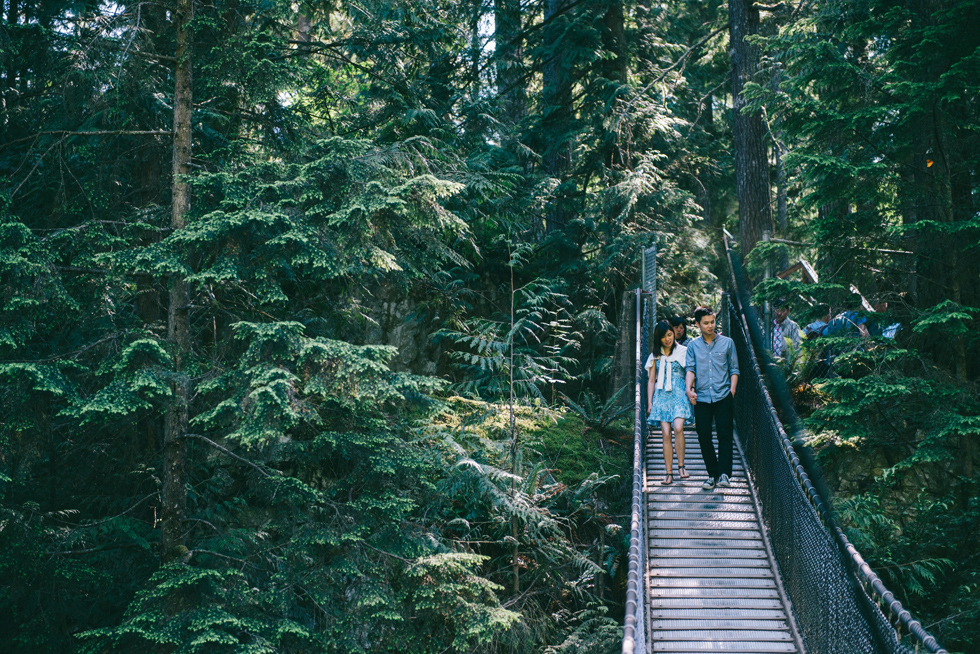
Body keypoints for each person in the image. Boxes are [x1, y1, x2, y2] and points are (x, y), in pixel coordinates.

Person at [685, 306, 739, 490]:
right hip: (701, 397)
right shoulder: (692, 345)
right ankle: (712, 473)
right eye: (706, 323)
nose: (710, 326)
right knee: (703, 435)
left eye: (712, 322)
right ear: (698, 324)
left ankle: (724, 474)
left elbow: (734, 369)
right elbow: (690, 369)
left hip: (723, 395)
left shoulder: (728, 343)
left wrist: (732, 391)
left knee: (725, 435)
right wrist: (688, 389)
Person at [646, 321, 693, 485]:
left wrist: (691, 389)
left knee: (678, 427)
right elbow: (651, 380)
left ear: (674, 334)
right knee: (665, 433)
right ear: (658, 338)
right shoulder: (655, 355)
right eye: (663, 337)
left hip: (679, 394)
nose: (667, 339)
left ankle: (681, 466)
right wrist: (650, 402)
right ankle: (669, 472)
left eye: (669, 335)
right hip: (661, 396)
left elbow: (690, 372)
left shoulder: (683, 351)